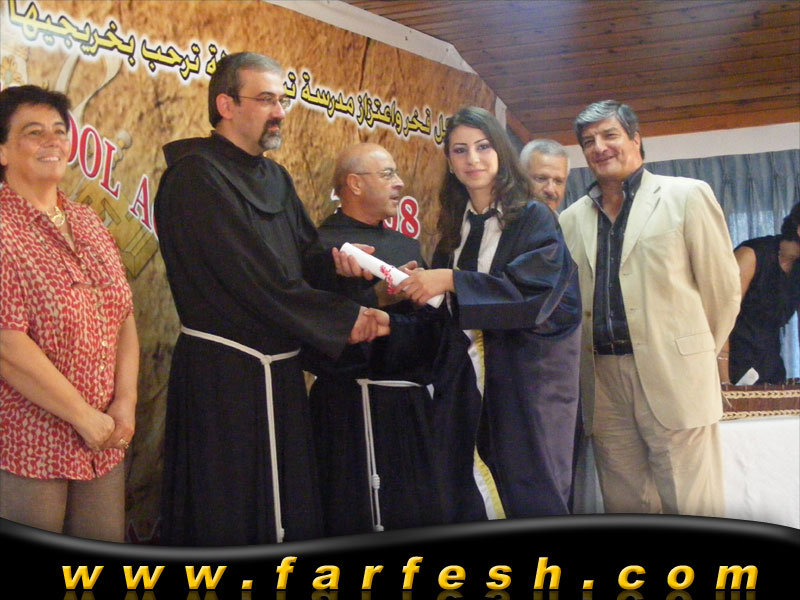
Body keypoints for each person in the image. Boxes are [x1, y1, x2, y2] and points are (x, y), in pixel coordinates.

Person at [153, 52, 389, 546]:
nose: (279, 111)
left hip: (278, 373)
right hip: (225, 378)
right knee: (231, 512)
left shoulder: (275, 178)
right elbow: (253, 280)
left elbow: (304, 259)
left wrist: (343, 268)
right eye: (265, 100)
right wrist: (344, 318)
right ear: (226, 105)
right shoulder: (195, 177)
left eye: (281, 100)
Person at [396, 106, 582, 521]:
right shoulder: (455, 228)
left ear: (500, 151)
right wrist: (412, 298)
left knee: (527, 493)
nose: (473, 159)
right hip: (465, 386)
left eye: (482, 147)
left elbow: (532, 295)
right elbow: (446, 314)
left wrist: (451, 280)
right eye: (460, 150)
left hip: (523, 387)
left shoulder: (532, 217)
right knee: (465, 493)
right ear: (449, 162)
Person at [558, 99, 741, 516]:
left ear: (636, 139)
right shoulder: (570, 220)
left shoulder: (687, 196)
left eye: (610, 135)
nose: (599, 147)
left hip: (675, 377)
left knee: (693, 505)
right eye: (589, 141)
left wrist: (692, 355)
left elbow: (723, 291)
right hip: (603, 381)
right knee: (626, 505)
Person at [0, 85, 139, 541]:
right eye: (33, 132)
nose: (52, 142)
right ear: (2, 150)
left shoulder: (87, 220)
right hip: (28, 442)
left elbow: (123, 315)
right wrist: (83, 416)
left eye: (59, 131)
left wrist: (125, 402)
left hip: (104, 438)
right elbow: (7, 344)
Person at [304, 142, 443, 535]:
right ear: (355, 184)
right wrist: (372, 300)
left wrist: (394, 319)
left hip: (408, 406)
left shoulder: (406, 246)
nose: (400, 183)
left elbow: (432, 327)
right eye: (387, 174)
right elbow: (314, 331)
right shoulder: (320, 249)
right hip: (346, 410)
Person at [726, 202, 800, 384]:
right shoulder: (751, 255)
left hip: (771, 365)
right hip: (731, 363)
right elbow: (721, 320)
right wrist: (723, 382)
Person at [519, 138, 570, 212]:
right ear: (521, 178)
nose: (550, 190)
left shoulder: (568, 219)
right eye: (541, 179)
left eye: (558, 181)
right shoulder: (505, 218)